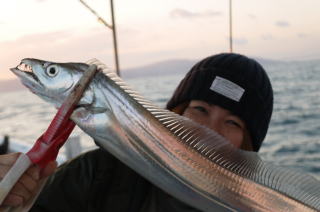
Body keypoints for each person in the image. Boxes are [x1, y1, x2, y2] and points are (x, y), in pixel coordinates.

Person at [0, 53, 273, 211]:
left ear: (247, 147)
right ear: (174, 115)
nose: (209, 130)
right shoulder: (96, 174)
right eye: (200, 109)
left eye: (233, 123)